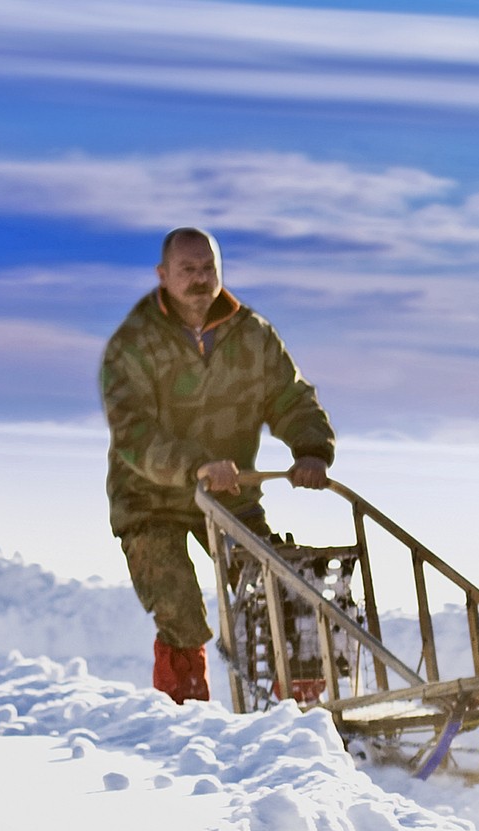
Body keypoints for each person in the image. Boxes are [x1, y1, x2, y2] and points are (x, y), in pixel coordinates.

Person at [99, 228, 336, 703]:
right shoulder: (133, 344)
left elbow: (290, 397)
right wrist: (197, 465)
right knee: (179, 609)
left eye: (208, 268)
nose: (200, 279)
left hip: (230, 497)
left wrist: (311, 450)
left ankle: (311, 714)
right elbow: (133, 434)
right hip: (151, 502)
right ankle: (187, 718)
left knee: (281, 592)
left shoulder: (252, 335)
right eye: (187, 270)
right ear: (163, 275)